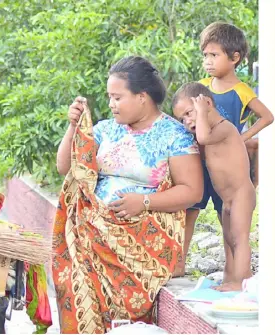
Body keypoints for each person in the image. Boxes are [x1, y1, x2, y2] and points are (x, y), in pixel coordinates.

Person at [52, 56, 203, 334]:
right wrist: (73, 127)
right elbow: (66, 167)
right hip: (90, 234)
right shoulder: (105, 130)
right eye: (110, 97)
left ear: (142, 97)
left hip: (141, 239)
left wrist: (144, 202)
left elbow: (192, 191)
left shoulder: (174, 135)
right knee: (79, 294)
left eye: (118, 97)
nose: (111, 104)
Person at [173, 22, 274, 278]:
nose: (208, 61)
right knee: (190, 210)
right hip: (200, 164)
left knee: (225, 218)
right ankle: (178, 263)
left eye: (214, 55)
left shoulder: (241, 91)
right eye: (205, 55)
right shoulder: (201, 87)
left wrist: (242, 137)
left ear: (235, 57)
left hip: (225, 171)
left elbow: (267, 116)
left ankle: (234, 272)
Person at [173, 81, 256, 291]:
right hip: (228, 200)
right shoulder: (209, 132)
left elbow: (202, 137)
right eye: (182, 119)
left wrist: (200, 113)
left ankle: (241, 281)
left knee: (239, 238)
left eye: (189, 113)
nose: (187, 121)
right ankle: (236, 278)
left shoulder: (224, 128)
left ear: (207, 103)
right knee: (229, 238)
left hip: (240, 195)